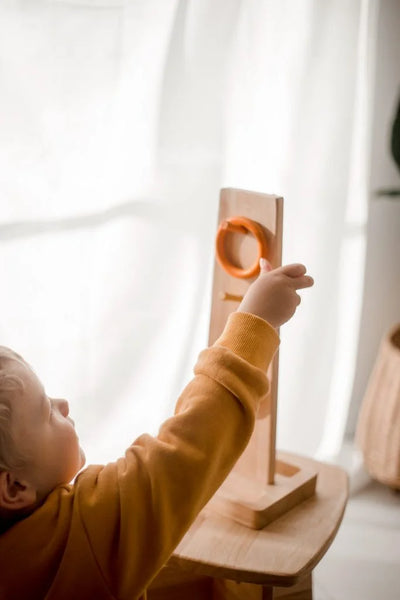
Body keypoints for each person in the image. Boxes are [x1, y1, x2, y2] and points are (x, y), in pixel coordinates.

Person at [0, 260, 313, 600]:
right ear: (14, 486)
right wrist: (255, 323)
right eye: (47, 412)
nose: (63, 404)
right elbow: (184, 451)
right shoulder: (87, 528)